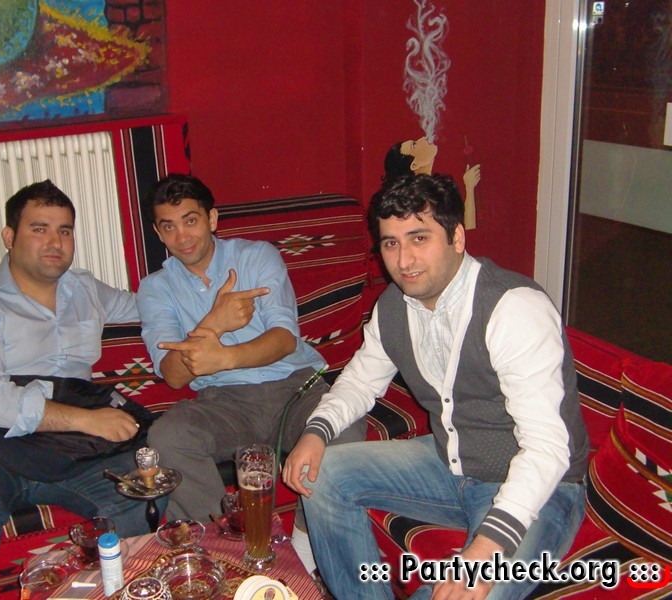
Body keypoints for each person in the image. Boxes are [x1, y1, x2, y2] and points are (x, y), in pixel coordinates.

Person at [283, 173, 589, 600]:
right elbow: (359, 381)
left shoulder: (513, 308)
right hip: (449, 463)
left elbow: (547, 447)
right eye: (391, 243)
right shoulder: (394, 306)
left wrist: (484, 549)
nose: (404, 259)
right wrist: (316, 432)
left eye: (419, 238)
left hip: (540, 488)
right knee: (324, 473)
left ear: (457, 238)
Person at [0, 180, 157, 599]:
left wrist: (208, 303)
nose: (55, 242)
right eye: (39, 228)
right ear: (9, 236)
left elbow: (150, 307)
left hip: (72, 450)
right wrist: (88, 419)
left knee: (142, 492)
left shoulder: (84, 289)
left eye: (64, 230)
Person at [137, 173, 366, 574]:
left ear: (212, 219)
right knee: (168, 438)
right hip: (225, 404)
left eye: (190, 220)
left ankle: (308, 543)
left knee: (344, 428)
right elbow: (173, 375)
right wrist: (215, 320)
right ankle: (219, 555)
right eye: (168, 226)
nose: (182, 236)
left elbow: (284, 339)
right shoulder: (155, 288)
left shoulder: (256, 256)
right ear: (158, 232)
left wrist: (222, 358)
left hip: (295, 388)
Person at [384, 136, 481, 229]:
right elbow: (465, 229)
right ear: (414, 165)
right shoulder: (419, 201)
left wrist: (469, 186)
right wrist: (470, 188)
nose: (423, 138)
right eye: (414, 145)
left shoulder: (439, 188)